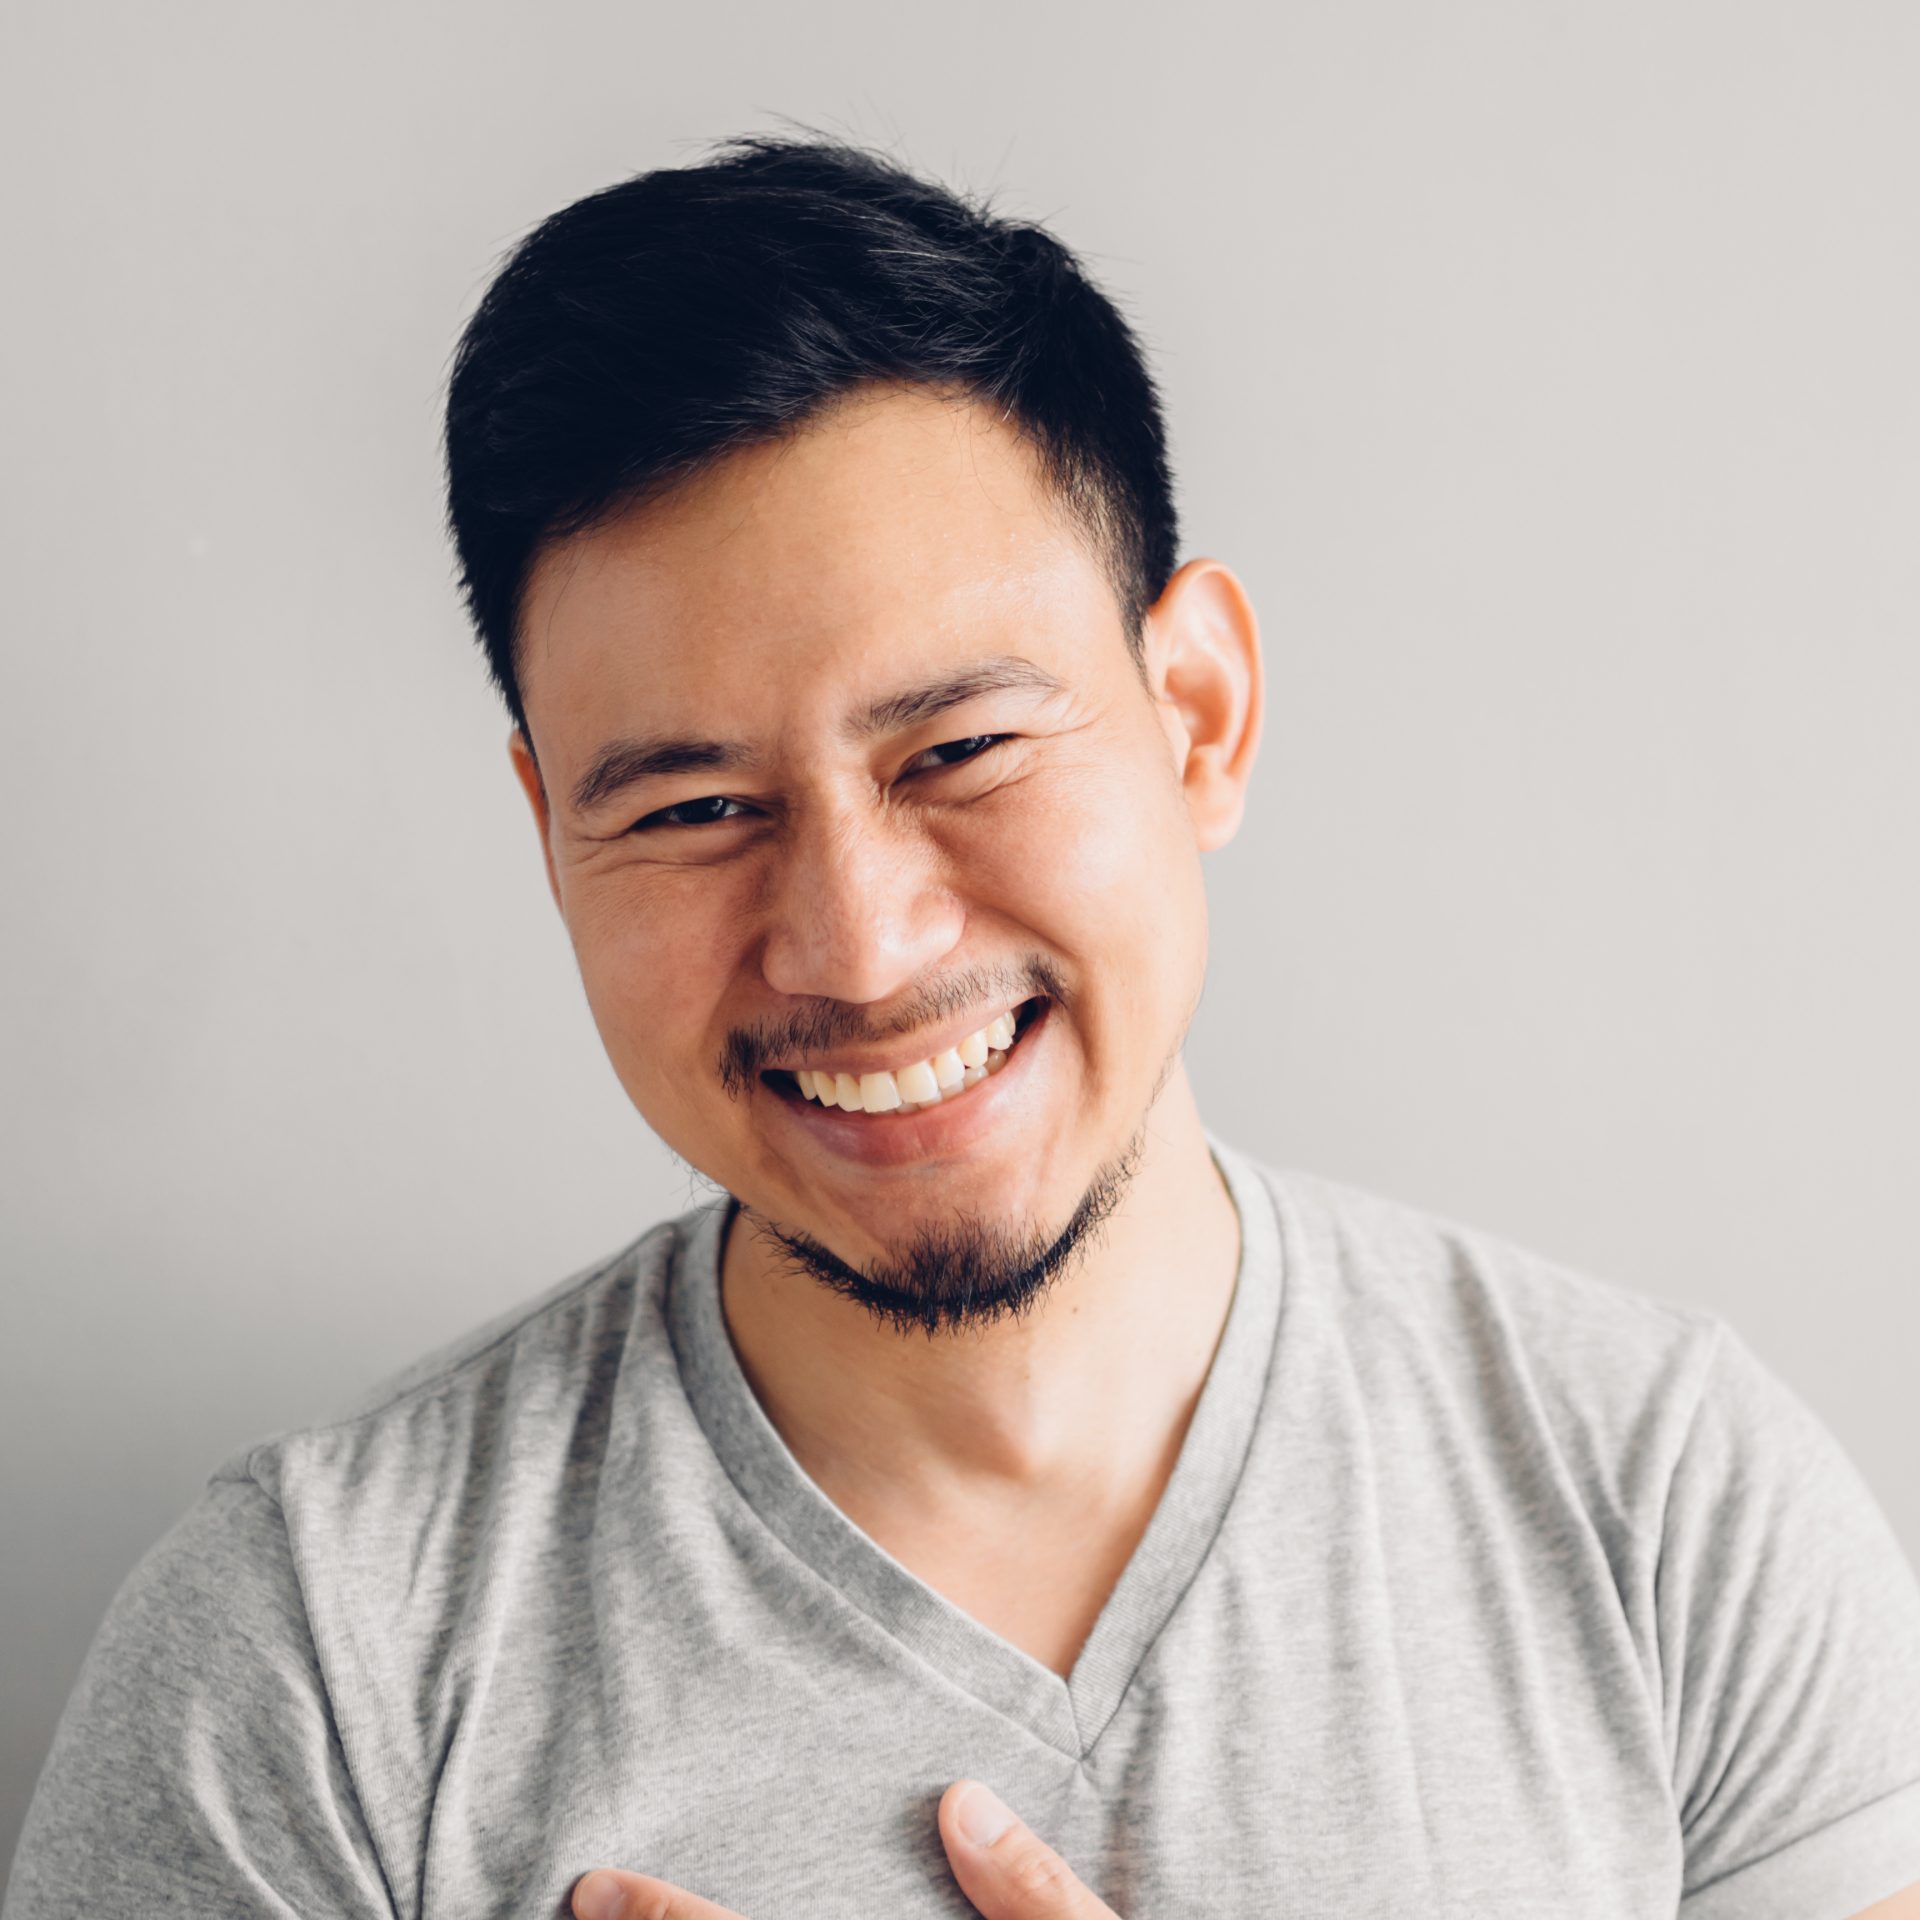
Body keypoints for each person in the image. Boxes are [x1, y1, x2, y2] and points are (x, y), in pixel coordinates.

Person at [6, 133, 1920, 1920]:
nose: (851, 940)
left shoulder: (1670, 1511)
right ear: (549, 837)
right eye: (691, 810)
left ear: (1197, 715)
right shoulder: (307, 1650)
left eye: (963, 750)